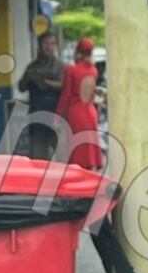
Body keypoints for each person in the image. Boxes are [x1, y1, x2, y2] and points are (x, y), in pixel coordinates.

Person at [56, 37, 104, 170]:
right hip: (90, 112)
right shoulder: (93, 70)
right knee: (89, 148)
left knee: (77, 149)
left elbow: (65, 96)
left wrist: (57, 116)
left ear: (78, 51)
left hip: (76, 113)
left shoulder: (72, 70)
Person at [17, 31, 65, 160]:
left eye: (52, 43)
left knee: (62, 154)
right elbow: (21, 87)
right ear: (39, 46)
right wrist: (29, 77)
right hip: (37, 115)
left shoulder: (60, 66)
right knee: (39, 156)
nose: (49, 46)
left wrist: (45, 82)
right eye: (46, 43)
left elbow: (64, 86)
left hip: (56, 115)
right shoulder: (32, 67)